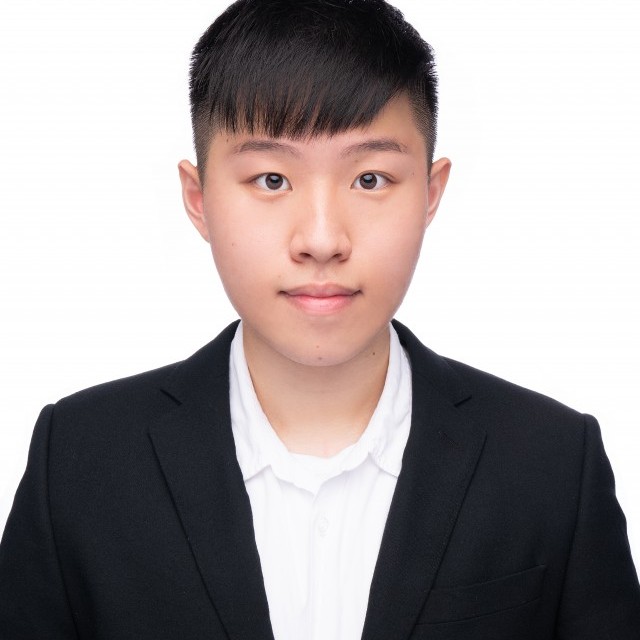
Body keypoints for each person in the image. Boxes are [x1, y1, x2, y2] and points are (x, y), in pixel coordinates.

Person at [1, 0, 639, 637]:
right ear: (198, 199)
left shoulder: (552, 463)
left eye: (370, 180)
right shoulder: (80, 461)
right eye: (271, 180)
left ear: (430, 193)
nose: (322, 239)